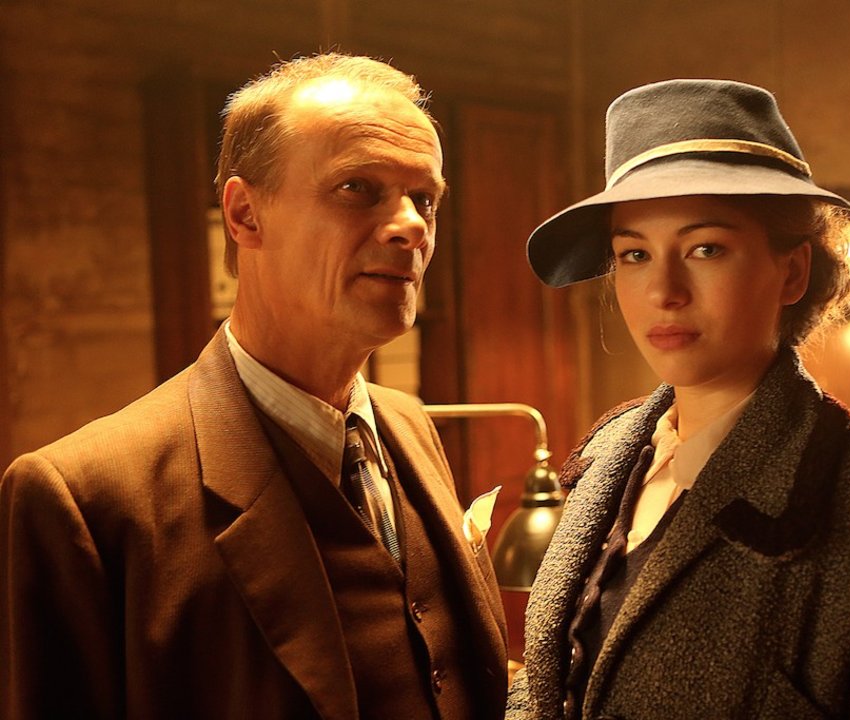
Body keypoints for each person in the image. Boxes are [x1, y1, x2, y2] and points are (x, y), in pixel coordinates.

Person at [1, 53, 507, 720]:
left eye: (425, 199)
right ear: (244, 215)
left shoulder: (408, 424)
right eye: (357, 188)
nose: (412, 225)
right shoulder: (85, 497)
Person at [506, 79, 850, 719]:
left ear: (792, 272)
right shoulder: (609, 455)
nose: (663, 290)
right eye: (634, 254)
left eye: (705, 248)